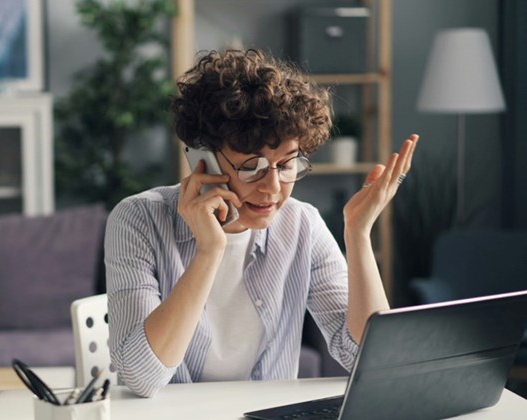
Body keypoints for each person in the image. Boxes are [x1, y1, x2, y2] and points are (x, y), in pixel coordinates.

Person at [105, 49, 418, 398]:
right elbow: (141, 377)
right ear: (202, 159)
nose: (272, 188)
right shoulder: (138, 219)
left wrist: (358, 234)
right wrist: (209, 251)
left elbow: (366, 358)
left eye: (286, 165)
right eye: (251, 166)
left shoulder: (302, 226)